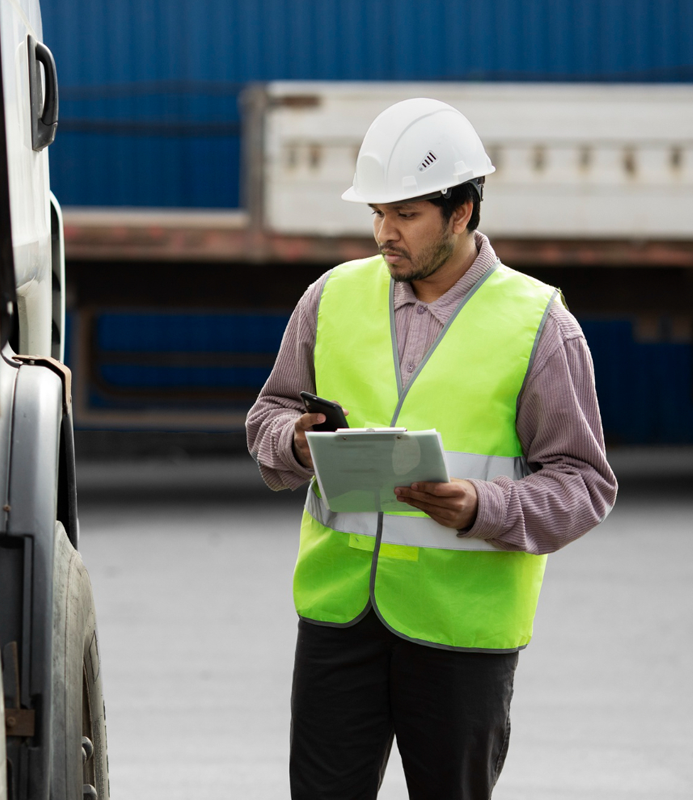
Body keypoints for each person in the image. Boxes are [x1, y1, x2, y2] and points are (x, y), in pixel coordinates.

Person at [245, 98, 618, 799]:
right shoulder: (330, 298)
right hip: (337, 619)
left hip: (461, 635)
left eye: (407, 214)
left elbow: (583, 482)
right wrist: (294, 441)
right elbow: (266, 415)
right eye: (377, 213)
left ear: (462, 213)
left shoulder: (540, 326)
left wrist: (483, 505)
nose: (386, 233)